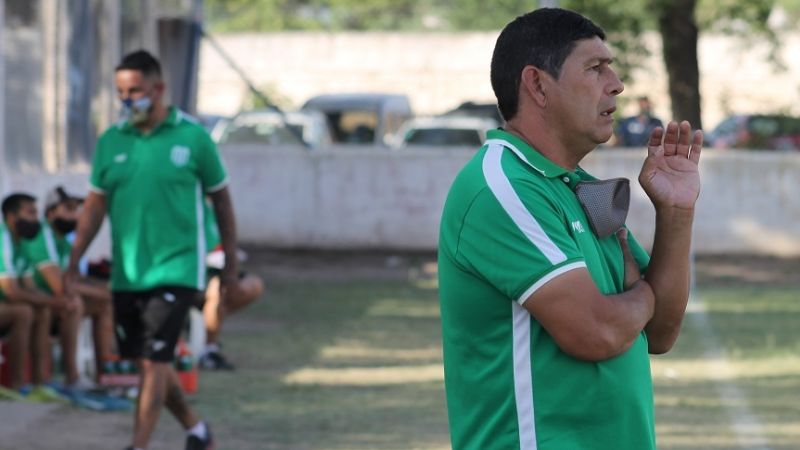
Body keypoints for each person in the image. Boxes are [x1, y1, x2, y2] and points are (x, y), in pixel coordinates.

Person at [438, 8, 702, 450]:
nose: (616, 83)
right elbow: (596, 332)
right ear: (538, 85)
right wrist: (643, 297)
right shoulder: (502, 187)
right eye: (595, 67)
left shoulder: (575, 186)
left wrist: (675, 212)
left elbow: (660, 332)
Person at [66, 50, 240, 450]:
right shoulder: (112, 141)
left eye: (136, 90)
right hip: (128, 271)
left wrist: (229, 267)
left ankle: (138, 445)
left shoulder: (193, 137)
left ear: (158, 88)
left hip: (177, 268)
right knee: (147, 362)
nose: (128, 100)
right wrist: (75, 258)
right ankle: (197, 430)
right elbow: (95, 207)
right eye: (121, 92)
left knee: (156, 360)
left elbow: (223, 202)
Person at [22, 186, 115, 384]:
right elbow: (60, 286)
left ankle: (105, 376)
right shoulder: (43, 235)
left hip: (52, 300)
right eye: (70, 209)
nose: (76, 215)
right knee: (73, 303)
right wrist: (106, 293)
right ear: (51, 212)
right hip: (40, 301)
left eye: (77, 209)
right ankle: (73, 378)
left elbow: (76, 278)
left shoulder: (63, 240)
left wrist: (109, 291)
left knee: (104, 306)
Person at [1, 193, 77, 402]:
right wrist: (56, 300)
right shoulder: (3, 238)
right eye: (31, 213)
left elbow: (29, 286)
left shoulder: (21, 242)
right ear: (11, 216)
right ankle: (17, 385)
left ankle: (38, 382)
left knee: (42, 309)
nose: (36, 219)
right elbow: (11, 291)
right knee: (24, 311)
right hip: (6, 303)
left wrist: (54, 302)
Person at [198, 197, 263, 370]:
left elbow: (218, 247)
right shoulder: (189, 206)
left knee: (252, 285)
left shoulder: (210, 209)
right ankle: (207, 348)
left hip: (214, 269)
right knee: (217, 291)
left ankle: (204, 338)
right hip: (190, 277)